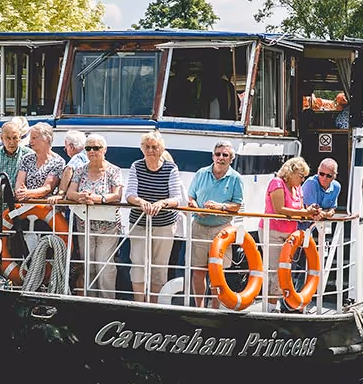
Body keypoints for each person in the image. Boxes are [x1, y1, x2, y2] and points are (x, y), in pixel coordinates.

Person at [56, 134, 123, 299]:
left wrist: (99, 199)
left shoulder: (114, 170)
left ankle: (108, 302)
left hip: (108, 226)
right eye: (88, 148)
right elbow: (70, 192)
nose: (92, 151)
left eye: (96, 148)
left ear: (104, 150)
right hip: (85, 224)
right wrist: (80, 197)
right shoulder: (80, 170)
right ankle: (90, 300)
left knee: (105, 265)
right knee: (89, 265)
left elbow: (117, 195)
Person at [124, 131, 183, 303]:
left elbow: (176, 197)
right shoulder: (137, 166)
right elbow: (129, 194)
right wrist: (141, 202)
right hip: (139, 222)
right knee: (138, 263)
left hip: (164, 224)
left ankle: (155, 303)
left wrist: (162, 203)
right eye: (147, 147)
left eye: (154, 147)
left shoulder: (171, 168)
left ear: (161, 149)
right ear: (142, 149)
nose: (151, 150)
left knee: (159, 265)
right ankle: (139, 302)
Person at [187, 141, 244, 308]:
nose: (221, 158)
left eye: (225, 155)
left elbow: (237, 205)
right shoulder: (201, 173)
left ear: (231, 159)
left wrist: (220, 207)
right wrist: (197, 209)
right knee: (198, 271)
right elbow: (191, 198)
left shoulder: (236, 179)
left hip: (222, 230)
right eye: (218, 154)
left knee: (217, 272)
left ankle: (215, 308)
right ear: (213, 156)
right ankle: (199, 307)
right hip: (199, 226)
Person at [260, 157, 321, 305]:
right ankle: (270, 307)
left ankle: (278, 305)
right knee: (274, 269)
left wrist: (309, 212)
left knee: (285, 270)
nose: (302, 180)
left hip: (289, 232)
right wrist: (305, 213)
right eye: (301, 176)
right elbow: (279, 209)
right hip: (272, 231)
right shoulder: (277, 183)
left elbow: (299, 210)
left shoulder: (297, 188)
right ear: (291, 172)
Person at [0, 120, 32, 224]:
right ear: (1, 138)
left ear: (19, 137)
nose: (12, 142)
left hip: (20, 210)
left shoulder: (29, 155)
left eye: (15, 138)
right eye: (8, 138)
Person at [14, 122, 64, 201]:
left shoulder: (57, 161)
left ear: (46, 139)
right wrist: (19, 191)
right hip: (24, 205)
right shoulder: (26, 159)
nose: (30, 142)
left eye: (34, 138)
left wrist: (27, 193)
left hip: (45, 208)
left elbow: (47, 188)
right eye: (30, 138)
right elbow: (19, 182)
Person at [56, 130, 89, 196]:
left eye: (66, 148)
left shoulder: (78, 157)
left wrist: (60, 193)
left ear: (71, 147)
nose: (66, 151)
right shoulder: (89, 155)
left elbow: (69, 168)